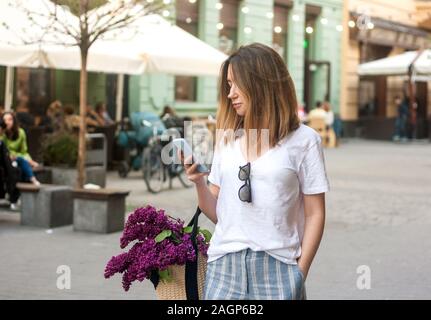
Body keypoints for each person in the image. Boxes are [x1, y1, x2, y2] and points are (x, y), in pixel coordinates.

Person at [180, 43, 329, 300]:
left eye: (237, 84)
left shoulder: (304, 140)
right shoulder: (227, 139)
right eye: (228, 85)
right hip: (224, 267)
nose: (231, 94)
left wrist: (299, 273)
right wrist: (198, 183)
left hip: (278, 268)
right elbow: (217, 213)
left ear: (261, 84)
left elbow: (316, 213)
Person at [0, 112, 40, 186]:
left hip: (17, 158)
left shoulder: (21, 132)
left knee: (21, 161)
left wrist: (28, 159)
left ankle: (29, 180)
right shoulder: (2, 134)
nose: (7, 122)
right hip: (6, 159)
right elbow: (4, 150)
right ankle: (32, 178)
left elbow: (24, 151)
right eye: (5, 120)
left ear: (14, 121)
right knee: (21, 161)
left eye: (10, 119)